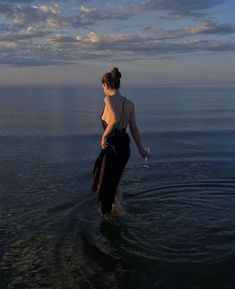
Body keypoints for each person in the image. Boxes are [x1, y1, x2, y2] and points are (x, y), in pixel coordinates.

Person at [92, 67, 149, 216]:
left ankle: (124, 216)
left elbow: (115, 120)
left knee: (103, 184)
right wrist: (142, 150)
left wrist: (104, 137)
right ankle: (118, 208)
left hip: (112, 147)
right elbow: (134, 129)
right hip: (125, 148)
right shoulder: (130, 104)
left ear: (106, 85)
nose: (103, 90)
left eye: (102, 87)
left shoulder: (108, 99)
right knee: (116, 182)